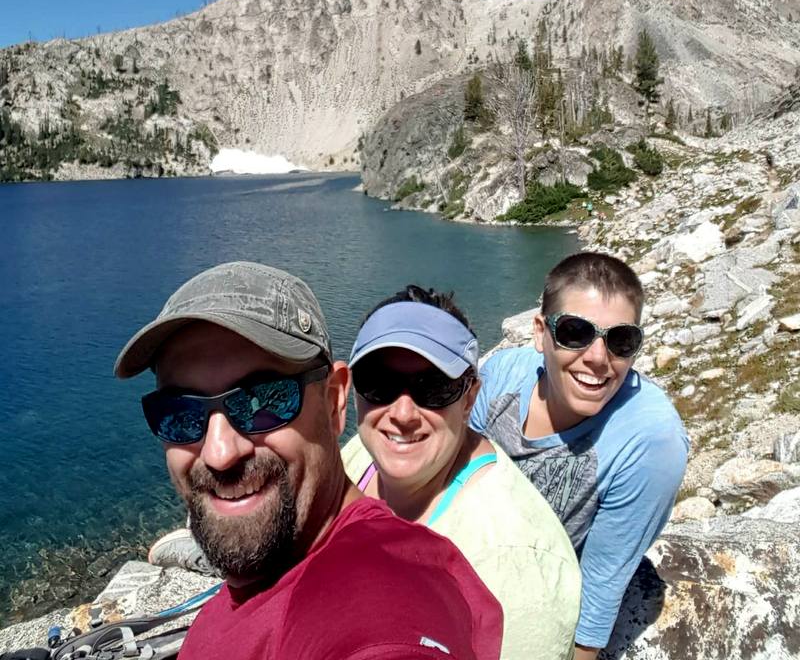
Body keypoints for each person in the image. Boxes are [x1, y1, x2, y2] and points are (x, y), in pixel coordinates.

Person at [114, 261, 503, 660]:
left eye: (264, 400)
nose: (219, 453)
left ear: (335, 402)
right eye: (180, 412)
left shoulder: (386, 592)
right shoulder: (271, 571)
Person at [342, 285, 581, 660]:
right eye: (379, 384)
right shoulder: (363, 454)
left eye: (434, 388)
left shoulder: (515, 566)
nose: (402, 415)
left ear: (470, 397)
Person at [470, 252, 689, 660]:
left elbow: (601, 585)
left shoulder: (650, 440)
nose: (598, 358)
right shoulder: (500, 375)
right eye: (575, 332)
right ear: (540, 333)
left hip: (528, 613)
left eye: (621, 340)